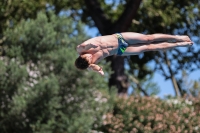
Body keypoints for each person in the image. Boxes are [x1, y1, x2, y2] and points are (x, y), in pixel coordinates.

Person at [75, 32, 193, 76]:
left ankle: (177, 37)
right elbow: (93, 67)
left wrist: (89, 47)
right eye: (90, 60)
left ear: (81, 55)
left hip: (119, 38)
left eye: (87, 56)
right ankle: (179, 44)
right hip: (120, 50)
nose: (90, 57)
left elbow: (82, 46)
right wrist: (99, 70)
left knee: (148, 39)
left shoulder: (80, 50)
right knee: (149, 48)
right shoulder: (90, 63)